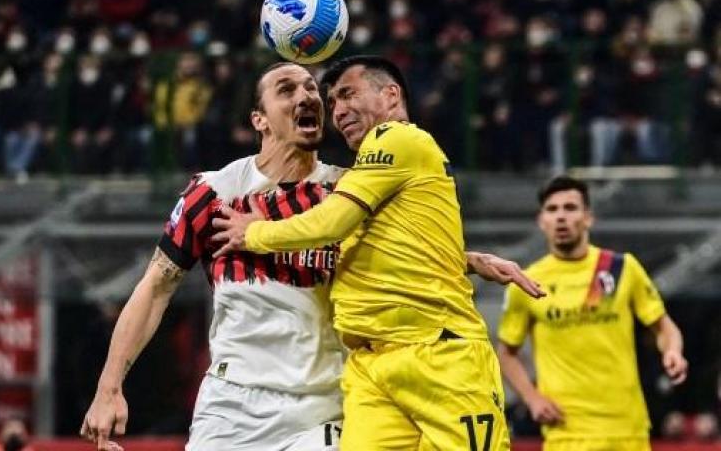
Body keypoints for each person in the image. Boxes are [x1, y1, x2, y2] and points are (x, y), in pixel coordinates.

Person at [210, 55, 545, 450]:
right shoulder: (372, 174)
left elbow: (330, 224)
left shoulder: (399, 139)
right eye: (333, 101)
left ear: (390, 95)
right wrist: (469, 260)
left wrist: (255, 233)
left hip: (438, 355)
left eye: (349, 95)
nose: (338, 110)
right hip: (371, 365)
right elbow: (395, 245)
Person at [81, 62, 346, 451]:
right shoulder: (214, 192)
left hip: (323, 405)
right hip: (231, 407)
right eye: (286, 90)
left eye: (310, 88)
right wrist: (109, 387)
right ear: (260, 120)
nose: (306, 96)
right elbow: (155, 287)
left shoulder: (347, 193)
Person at [497, 175, 688, 451]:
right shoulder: (526, 281)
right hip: (567, 433)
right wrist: (532, 398)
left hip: (628, 429)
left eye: (570, 208)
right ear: (542, 221)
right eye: (552, 209)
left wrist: (672, 351)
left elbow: (664, 328)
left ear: (588, 218)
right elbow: (506, 353)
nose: (561, 217)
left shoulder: (621, 268)